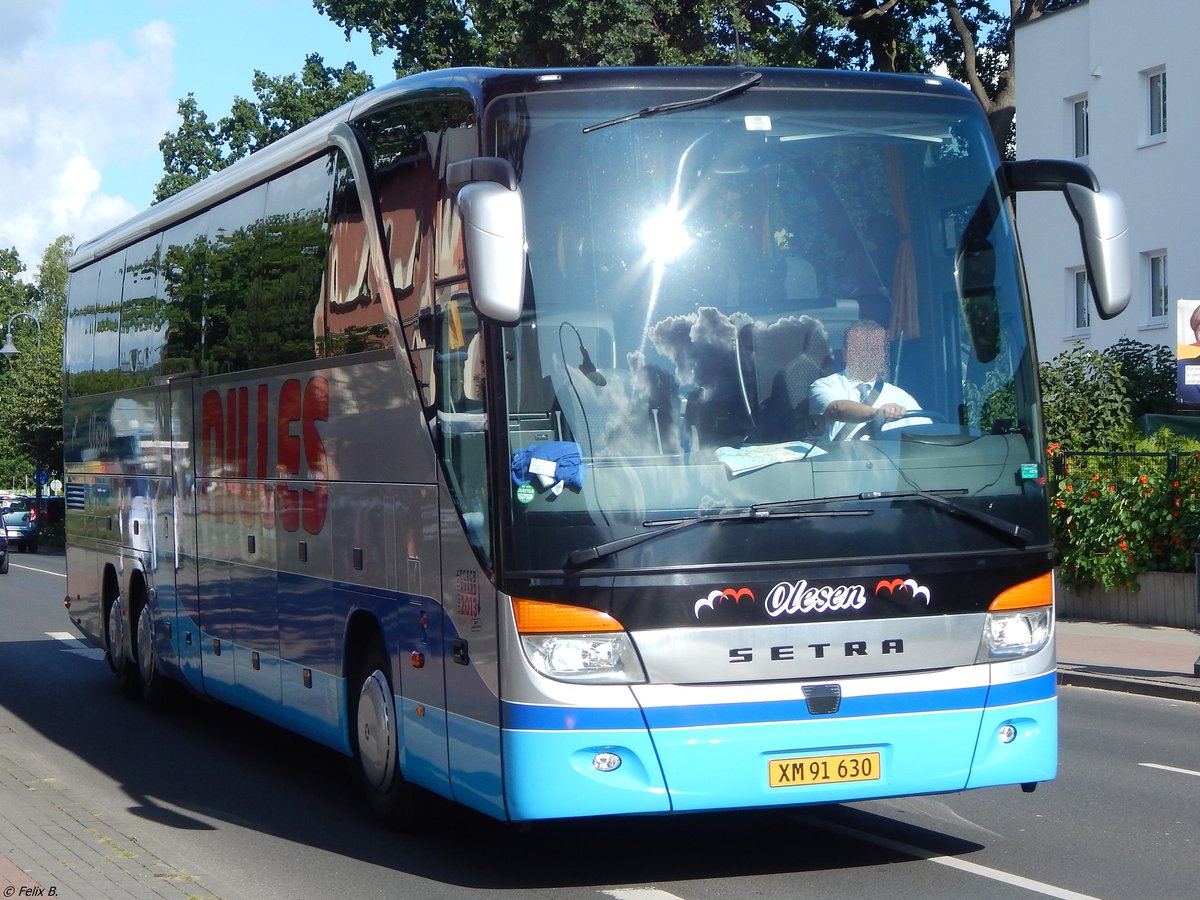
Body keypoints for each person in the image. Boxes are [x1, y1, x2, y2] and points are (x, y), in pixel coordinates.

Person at [809, 319, 927, 440]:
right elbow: (836, 409)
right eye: (861, 348)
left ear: (882, 356)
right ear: (845, 354)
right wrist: (878, 414)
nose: (867, 355)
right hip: (838, 458)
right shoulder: (824, 385)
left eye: (874, 349)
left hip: (887, 458)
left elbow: (926, 436)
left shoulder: (901, 397)